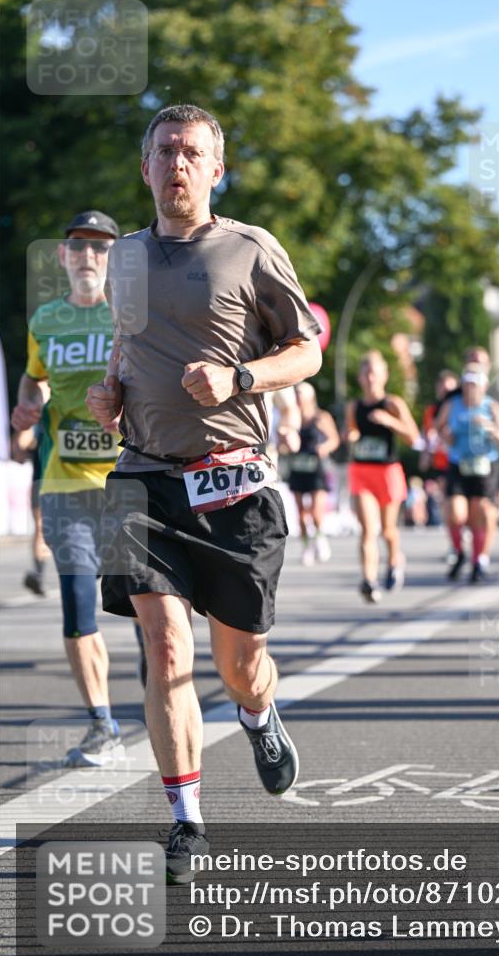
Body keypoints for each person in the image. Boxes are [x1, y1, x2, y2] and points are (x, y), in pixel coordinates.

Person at [85, 104, 322, 884]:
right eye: (164, 151)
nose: (176, 163)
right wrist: (112, 392)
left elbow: (307, 351)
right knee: (162, 645)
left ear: (216, 170)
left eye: (191, 152)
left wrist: (239, 377)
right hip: (142, 476)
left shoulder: (250, 248)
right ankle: (186, 819)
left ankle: (257, 711)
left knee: (240, 662)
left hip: (232, 482)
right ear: (145, 167)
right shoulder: (123, 256)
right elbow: (126, 339)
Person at [10, 210, 124, 766]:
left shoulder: (133, 317)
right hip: (65, 483)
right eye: (78, 247)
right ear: (63, 256)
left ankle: (163, 706)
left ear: (115, 258)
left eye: (100, 248)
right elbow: (34, 378)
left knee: (152, 616)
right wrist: (26, 408)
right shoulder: (46, 320)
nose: (88, 257)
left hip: (131, 484)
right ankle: (103, 725)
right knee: (79, 609)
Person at [345, 350, 419, 603]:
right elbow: (352, 430)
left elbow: (413, 437)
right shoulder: (354, 406)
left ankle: (395, 560)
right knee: (368, 529)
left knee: (388, 530)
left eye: (374, 373)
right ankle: (369, 580)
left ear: (384, 376)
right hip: (362, 471)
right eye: (366, 373)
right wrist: (352, 435)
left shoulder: (392, 404)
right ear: (360, 378)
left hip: (387, 473)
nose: (370, 378)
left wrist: (390, 421)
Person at [436, 363, 499, 583]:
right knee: (455, 513)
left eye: (475, 384)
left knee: (480, 513)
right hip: (459, 463)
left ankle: (478, 561)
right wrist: (446, 436)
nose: (471, 388)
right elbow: (438, 427)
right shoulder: (452, 405)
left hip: (485, 466)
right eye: (467, 383)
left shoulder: (492, 407)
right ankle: (459, 552)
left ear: (484, 386)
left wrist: (491, 429)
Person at [288, 381, 340, 565]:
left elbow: (334, 439)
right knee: (301, 514)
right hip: (298, 467)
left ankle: (319, 537)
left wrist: (324, 447)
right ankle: (306, 547)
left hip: (316, 468)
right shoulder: (291, 417)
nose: (298, 398)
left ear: (310, 397)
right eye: (296, 394)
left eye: (301, 394)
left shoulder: (321, 417)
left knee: (317, 512)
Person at [11, 423, 52, 595]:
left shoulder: (40, 418)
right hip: (58, 481)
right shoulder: (41, 419)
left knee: (42, 528)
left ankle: (39, 574)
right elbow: (21, 445)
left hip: (45, 482)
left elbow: (19, 449)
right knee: (43, 528)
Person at [419, 369, 458, 527]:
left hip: (458, 459)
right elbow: (426, 433)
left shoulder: (459, 407)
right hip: (441, 459)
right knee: (446, 496)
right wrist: (425, 455)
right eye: (442, 388)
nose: (445, 392)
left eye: (449, 389)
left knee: (458, 498)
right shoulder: (431, 410)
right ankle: (453, 531)